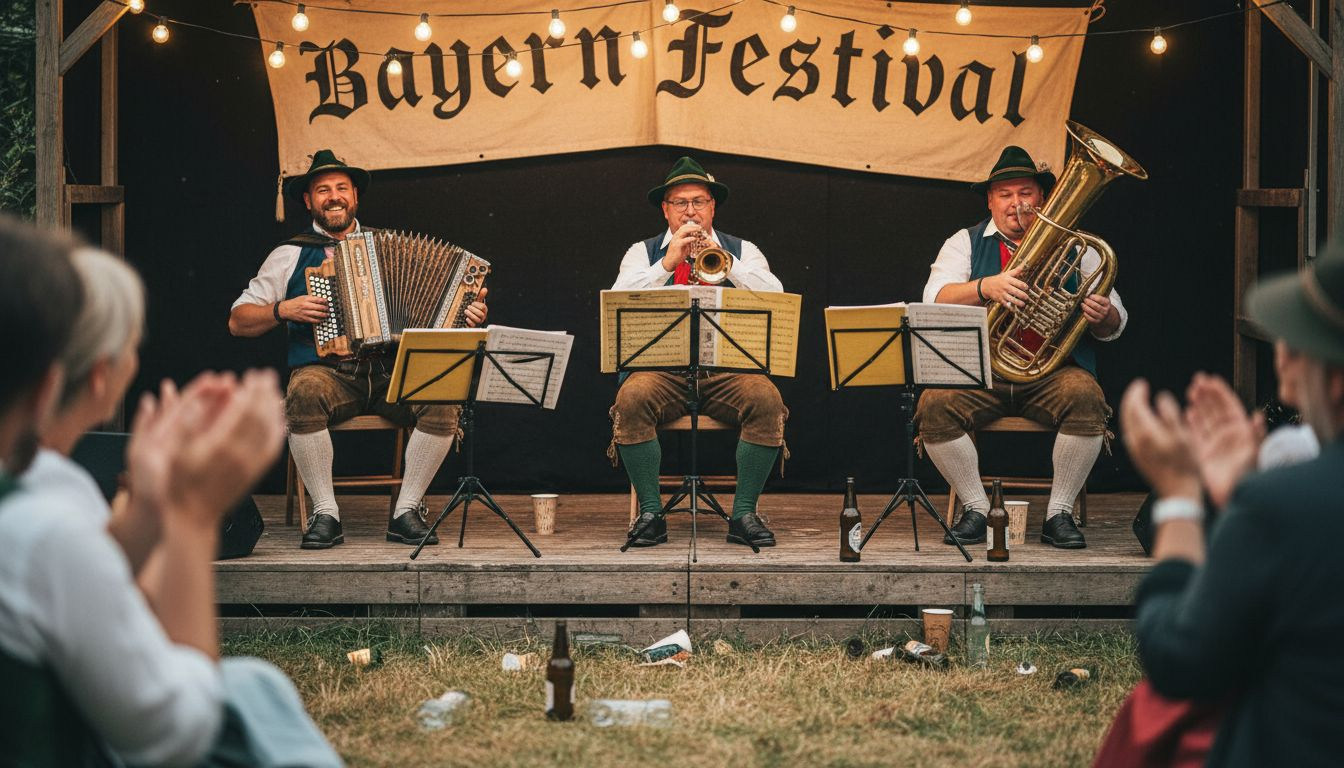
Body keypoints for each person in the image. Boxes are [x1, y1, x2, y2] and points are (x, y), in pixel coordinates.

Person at [0, 224, 340, 766]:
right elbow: (178, 732)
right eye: (130, 345)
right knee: (252, 706)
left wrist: (150, 499)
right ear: (87, 380)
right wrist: (192, 518)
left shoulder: (43, 484)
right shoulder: (44, 534)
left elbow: (100, 573)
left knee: (255, 683)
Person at [1116, 239, 1344, 766]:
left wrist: (1179, 500)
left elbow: (1181, 659)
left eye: (1297, 338)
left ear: (1332, 381)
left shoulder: (1281, 505)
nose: (1281, 348)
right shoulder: (1273, 502)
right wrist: (1240, 497)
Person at [228, 149, 488, 549]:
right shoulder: (290, 254)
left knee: (443, 395)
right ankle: (325, 513)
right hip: (330, 375)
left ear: (354, 197)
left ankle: (407, 510)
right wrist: (283, 308)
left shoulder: (388, 246)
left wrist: (467, 315)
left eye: (341, 188)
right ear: (308, 201)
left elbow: (438, 319)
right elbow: (238, 320)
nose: (333, 196)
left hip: (391, 373)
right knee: (303, 390)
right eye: (323, 190)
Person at [915, 145, 1127, 549]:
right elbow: (932, 299)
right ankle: (977, 509)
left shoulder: (1075, 246)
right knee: (934, 404)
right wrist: (985, 287)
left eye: (1026, 193)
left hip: (1051, 372)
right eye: (1006, 195)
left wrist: (1103, 315)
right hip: (983, 371)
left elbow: (1116, 320)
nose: (1017, 204)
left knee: (1087, 397)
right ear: (991, 201)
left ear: (1042, 198)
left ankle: (1058, 514)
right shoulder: (965, 241)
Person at [610, 156, 786, 548]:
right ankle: (651, 513)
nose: (690, 211)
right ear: (665, 210)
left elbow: (776, 297)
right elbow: (620, 299)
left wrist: (728, 263)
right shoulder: (642, 252)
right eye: (680, 203)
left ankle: (744, 514)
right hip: (662, 371)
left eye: (699, 202)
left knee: (766, 398)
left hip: (726, 369)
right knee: (632, 397)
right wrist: (668, 262)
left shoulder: (744, 250)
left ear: (713, 207)